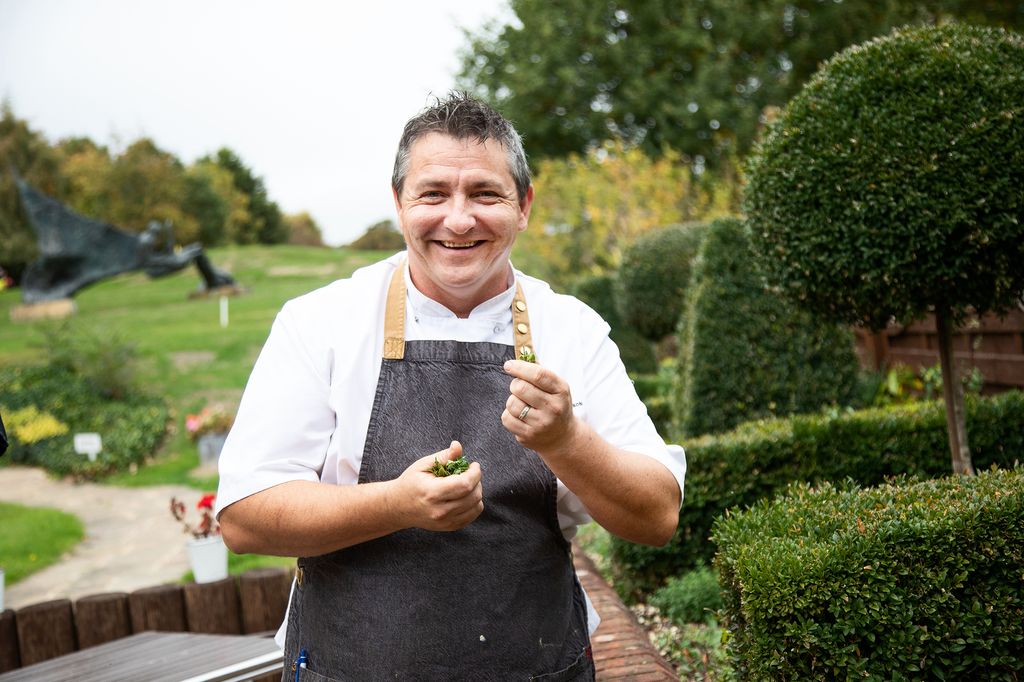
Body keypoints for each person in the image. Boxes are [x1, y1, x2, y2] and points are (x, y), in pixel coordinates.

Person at [215, 92, 685, 681]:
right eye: (433, 193)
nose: (458, 220)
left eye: (485, 194)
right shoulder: (320, 322)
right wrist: (398, 504)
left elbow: (657, 516)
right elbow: (243, 517)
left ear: (524, 206)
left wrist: (567, 441)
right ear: (398, 203)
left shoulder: (572, 328)